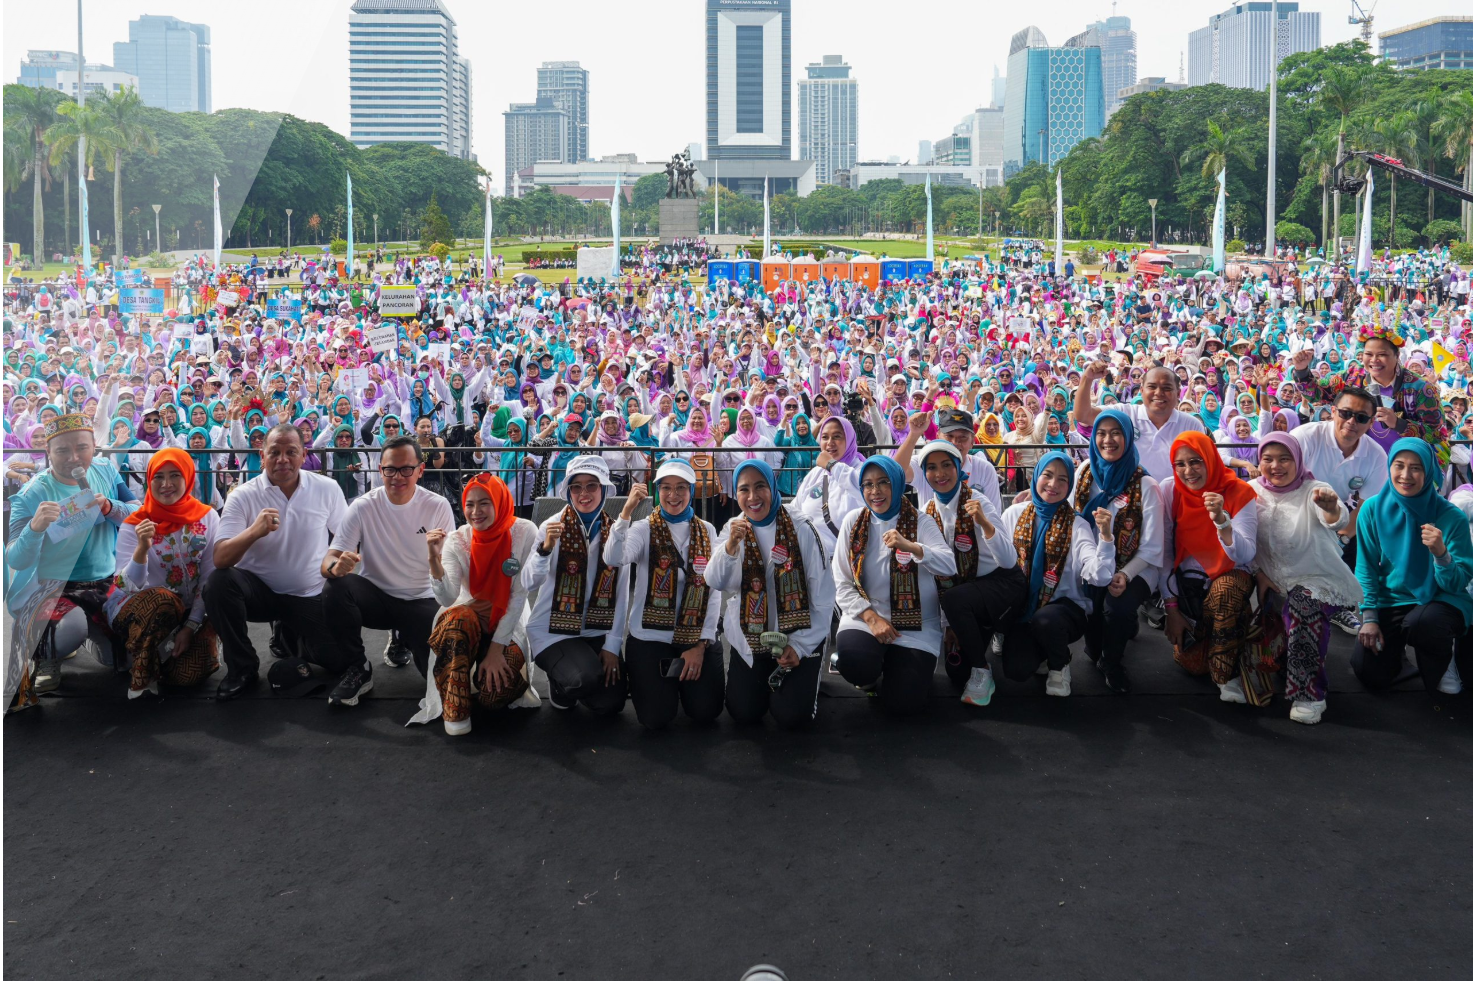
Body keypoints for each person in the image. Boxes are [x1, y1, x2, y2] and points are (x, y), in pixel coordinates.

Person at [203, 423, 348, 702]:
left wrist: (335, 565)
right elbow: (220, 558)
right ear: (262, 455)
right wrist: (253, 532)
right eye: (275, 452)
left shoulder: (327, 488)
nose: (283, 459)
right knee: (219, 584)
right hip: (259, 594)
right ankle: (242, 668)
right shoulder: (243, 495)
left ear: (304, 455)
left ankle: (289, 634)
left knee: (340, 660)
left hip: (308, 593)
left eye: (291, 452)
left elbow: (345, 539)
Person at [4, 413, 139, 705]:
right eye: (63, 450)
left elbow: (137, 512)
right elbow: (15, 558)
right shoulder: (33, 492)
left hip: (106, 581)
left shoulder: (105, 470)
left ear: (94, 447)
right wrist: (34, 528)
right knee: (68, 631)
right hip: (54, 586)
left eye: (82, 448)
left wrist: (111, 507)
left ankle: (89, 632)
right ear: (48, 452)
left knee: (125, 660)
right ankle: (49, 654)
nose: (74, 458)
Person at [320, 435, 455, 705]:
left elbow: (450, 565)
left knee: (441, 685)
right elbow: (329, 560)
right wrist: (336, 568)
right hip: (377, 599)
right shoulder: (363, 505)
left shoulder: (437, 505)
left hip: (422, 599)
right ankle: (358, 668)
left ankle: (404, 635)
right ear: (380, 470)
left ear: (420, 470)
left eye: (406, 469)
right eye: (390, 469)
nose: (398, 477)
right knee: (336, 587)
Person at [704, 459, 834, 728]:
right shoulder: (733, 529)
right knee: (744, 712)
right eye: (744, 489)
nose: (753, 497)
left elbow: (823, 597)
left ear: (773, 487)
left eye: (760, 486)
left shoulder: (801, 528)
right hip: (751, 638)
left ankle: (810, 667)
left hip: (798, 635)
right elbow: (714, 581)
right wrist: (730, 548)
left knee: (791, 716)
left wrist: (800, 646)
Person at [411, 473, 540, 736]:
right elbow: (447, 598)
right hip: (467, 619)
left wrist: (495, 651)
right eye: (469, 504)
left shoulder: (524, 531)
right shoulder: (458, 539)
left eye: (484, 503)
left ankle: (486, 673)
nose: (475, 511)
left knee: (494, 697)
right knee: (458, 618)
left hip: (508, 622)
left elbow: (518, 596)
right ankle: (455, 707)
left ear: (499, 502)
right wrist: (433, 559)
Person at [602, 459, 725, 730]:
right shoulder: (643, 528)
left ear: (691, 490)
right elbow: (613, 557)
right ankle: (667, 686)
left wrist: (700, 644)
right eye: (666, 487)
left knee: (706, 711)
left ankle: (681, 683)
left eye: (681, 487)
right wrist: (626, 513)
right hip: (651, 635)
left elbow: (713, 590)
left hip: (694, 635)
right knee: (655, 718)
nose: (673, 495)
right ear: (657, 491)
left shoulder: (707, 530)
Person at [1250, 432, 1362, 724]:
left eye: (1285, 458)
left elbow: (1336, 519)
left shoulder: (1314, 489)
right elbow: (1242, 538)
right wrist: (1258, 573)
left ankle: (1310, 694)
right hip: (1271, 579)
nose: (1276, 466)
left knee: (1304, 605)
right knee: (1280, 657)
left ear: (1298, 460)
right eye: (1268, 459)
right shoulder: (1250, 491)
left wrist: (1331, 508)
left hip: (1316, 578)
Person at [831, 454, 955, 715]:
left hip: (916, 625)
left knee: (904, 703)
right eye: (868, 484)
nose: (875, 491)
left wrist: (912, 547)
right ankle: (870, 671)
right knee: (856, 664)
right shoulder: (854, 521)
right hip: (866, 617)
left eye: (883, 482)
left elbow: (948, 566)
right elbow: (841, 581)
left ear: (898, 484)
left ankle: (899, 668)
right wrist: (871, 617)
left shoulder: (921, 521)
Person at [1351, 438, 1472, 703]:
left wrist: (1441, 554)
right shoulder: (1372, 509)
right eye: (1399, 465)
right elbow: (1366, 567)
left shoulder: (1451, 517)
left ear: (1429, 472)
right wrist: (1369, 617)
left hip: (1440, 598)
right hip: (1392, 599)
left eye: (1416, 468)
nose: (1406, 475)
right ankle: (1398, 655)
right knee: (1370, 673)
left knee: (1424, 624)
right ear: (1389, 467)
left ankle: (1446, 658)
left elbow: (1458, 582)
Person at [913, 439, 1026, 707]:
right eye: (931, 468)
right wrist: (949, 624)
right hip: (965, 594)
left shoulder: (978, 501)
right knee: (956, 672)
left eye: (946, 465)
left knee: (1016, 667)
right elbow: (938, 573)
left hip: (1002, 584)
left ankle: (982, 669)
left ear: (958, 467)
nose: (940, 474)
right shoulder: (928, 512)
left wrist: (984, 524)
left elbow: (1009, 560)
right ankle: (981, 630)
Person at [996, 451, 1116, 696]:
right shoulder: (1014, 514)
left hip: (1064, 610)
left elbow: (1100, 575)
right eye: (1047, 475)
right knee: (1016, 670)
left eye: (1063, 479)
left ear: (1070, 485)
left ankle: (1060, 664)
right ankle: (1042, 649)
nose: (1053, 484)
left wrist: (1105, 537)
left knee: (1047, 620)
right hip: (1022, 607)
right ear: (1036, 477)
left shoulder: (1077, 524)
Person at [109, 448, 220, 699]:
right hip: (139, 609)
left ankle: (161, 657)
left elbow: (209, 576)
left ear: (188, 477)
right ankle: (141, 660)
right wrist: (142, 549)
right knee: (162, 599)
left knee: (187, 677)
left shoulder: (208, 517)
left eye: (174, 475)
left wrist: (190, 626)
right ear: (149, 480)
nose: (166, 484)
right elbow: (126, 585)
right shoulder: (135, 523)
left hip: (188, 613)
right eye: (158, 477)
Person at [521, 455, 629, 714]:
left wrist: (612, 646)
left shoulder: (616, 533)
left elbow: (622, 594)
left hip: (596, 628)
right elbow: (529, 582)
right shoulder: (551, 526)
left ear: (604, 490)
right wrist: (545, 550)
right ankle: (560, 682)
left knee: (612, 703)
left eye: (592, 485)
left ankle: (578, 670)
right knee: (584, 679)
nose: (584, 493)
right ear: (568, 491)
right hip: (553, 630)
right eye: (576, 486)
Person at [1159, 431, 1260, 703]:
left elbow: (1246, 553)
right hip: (1189, 589)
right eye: (1180, 464)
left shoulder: (1238, 491)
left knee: (1226, 590)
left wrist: (1222, 522)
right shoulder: (1171, 489)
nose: (1188, 471)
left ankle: (1227, 675)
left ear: (1211, 459)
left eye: (1196, 461)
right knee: (1194, 665)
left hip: (1229, 578)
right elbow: (1164, 551)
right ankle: (1229, 644)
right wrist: (1171, 610)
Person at [1073, 409, 1165, 693]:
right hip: (1094, 562)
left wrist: (1125, 574)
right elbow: (1070, 515)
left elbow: (1152, 546)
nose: (1107, 440)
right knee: (1092, 648)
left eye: (1116, 433)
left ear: (1127, 437)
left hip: (1135, 565)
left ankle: (1112, 663)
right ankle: (1121, 630)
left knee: (1118, 608)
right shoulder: (1085, 472)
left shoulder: (1145, 485)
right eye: (1101, 433)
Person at [1287, 386, 1388, 633]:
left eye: (1361, 417)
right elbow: (1282, 484)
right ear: (1333, 412)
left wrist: (1342, 539)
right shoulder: (1304, 437)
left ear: (1371, 423)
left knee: (1362, 537)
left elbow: (1365, 506)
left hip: (1339, 517)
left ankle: (1341, 605)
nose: (1352, 422)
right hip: (1295, 511)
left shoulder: (1376, 455)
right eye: (1345, 413)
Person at [1076, 361, 1206, 481]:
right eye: (1152, 387)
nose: (1158, 393)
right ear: (1142, 390)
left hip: (1175, 496)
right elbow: (1084, 415)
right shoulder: (1124, 414)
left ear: (1178, 393)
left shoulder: (1192, 425)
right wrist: (1087, 378)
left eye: (1167, 388)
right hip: (1132, 497)